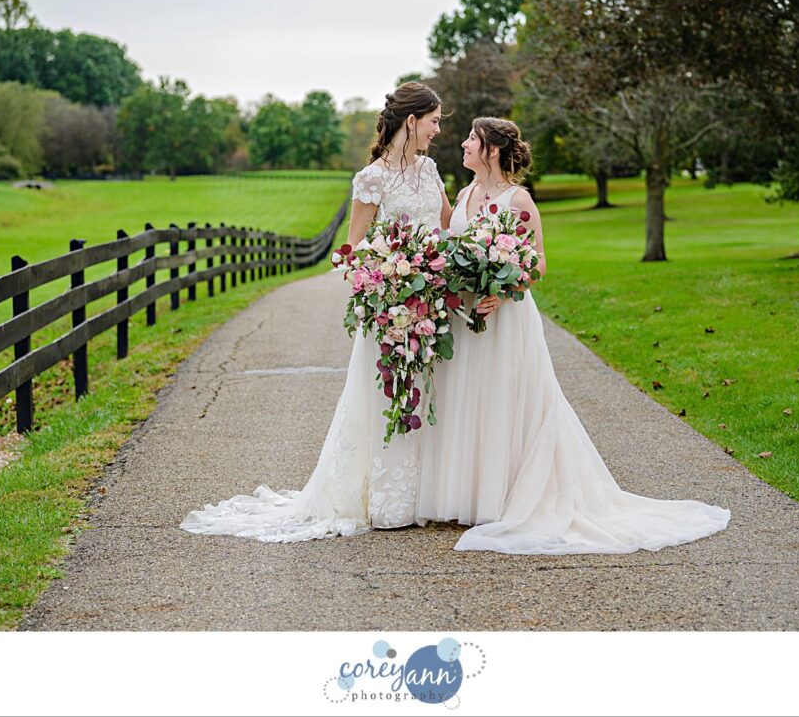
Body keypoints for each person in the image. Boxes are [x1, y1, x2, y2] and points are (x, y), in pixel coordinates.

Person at [415, 117, 732, 554]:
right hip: (467, 318)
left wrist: (503, 293)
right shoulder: (465, 194)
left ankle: (509, 496)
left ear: (491, 151)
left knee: (506, 398)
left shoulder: (518, 199)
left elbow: (539, 263)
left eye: (473, 139)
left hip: (505, 318)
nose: (464, 144)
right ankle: (471, 496)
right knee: (469, 398)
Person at [181, 82, 453, 541]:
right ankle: (385, 499)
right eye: (434, 120)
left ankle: (427, 493)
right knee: (385, 395)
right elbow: (351, 249)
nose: (438, 130)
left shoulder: (430, 170)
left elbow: (445, 225)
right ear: (412, 120)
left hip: (430, 301)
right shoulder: (372, 178)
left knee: (428, 393)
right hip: (388, 305)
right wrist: (387, 276)